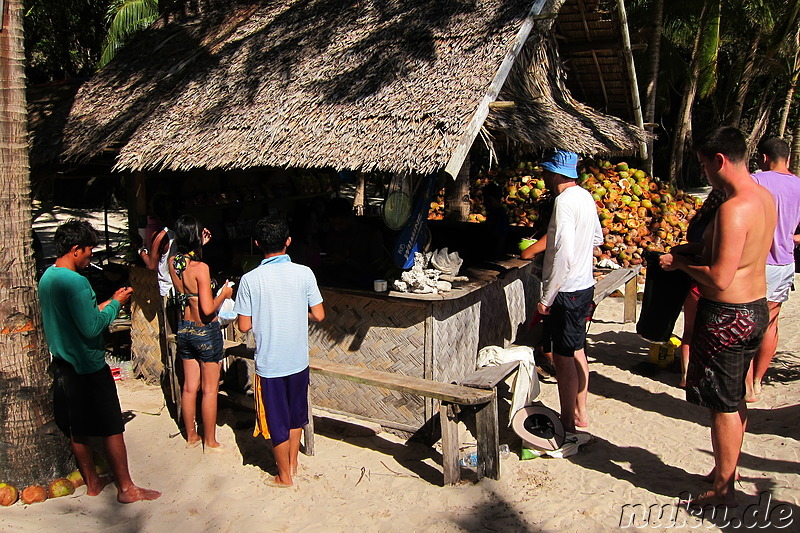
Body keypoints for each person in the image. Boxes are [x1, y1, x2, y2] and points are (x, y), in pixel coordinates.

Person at [659, 127, 775, 508]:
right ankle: (729, 469)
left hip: (727, 314)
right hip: (756, 308)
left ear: (720, 161)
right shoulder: (764, 197)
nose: (705, 174)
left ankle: (723, 490)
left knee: (722, 406)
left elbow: (721, 276)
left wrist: (680, 263)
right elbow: (740, 251)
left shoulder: (731, 207)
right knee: (735, 397)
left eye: (704, 165)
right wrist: (695, 249)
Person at [38, 219, 161, 504]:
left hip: (63, 364)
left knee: (77, 428)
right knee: (111, 428)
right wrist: (116, 304)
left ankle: (92, 482)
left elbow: (81, 316)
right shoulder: (77, 282)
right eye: (89, 251)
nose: (91, 257)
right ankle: (127, 488)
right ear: (76, 250)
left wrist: (109, 300)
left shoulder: (48, 277)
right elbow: (92, 327)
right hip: (89, 366)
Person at [235, 216, 325, 487]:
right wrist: (296, 312)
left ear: (257, 244)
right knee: (297, 413)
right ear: (288, 241)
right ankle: (293, 464)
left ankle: (283, 476)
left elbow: (243, 325)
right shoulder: (305, 273)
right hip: (298, 360)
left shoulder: (250, 280)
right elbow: (319, 315)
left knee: (276, 419)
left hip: (270, 363)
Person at [537, 150, 603, 433]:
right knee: (577, 350)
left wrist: (546, 297)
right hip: (584, 285)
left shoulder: (563, 202)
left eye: (545, 171)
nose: (543, 176)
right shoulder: (585, 196)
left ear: (554, 173)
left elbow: (562, 253)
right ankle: (580, 412)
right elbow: (598, 237)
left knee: (563, 360)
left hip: (567, 290)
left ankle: (567, 423)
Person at [168, 215, 232, 451]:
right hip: (205, 330)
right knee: (209, 389)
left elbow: (186, 267)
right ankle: (210, 439)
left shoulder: (174, 263)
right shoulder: (202, 268)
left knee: (189, 387)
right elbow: (207, 309)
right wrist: (224, 295)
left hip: (185, 328)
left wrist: (197, 246)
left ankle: (192, 436)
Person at [746, 137, 800, 401]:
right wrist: (790, 237)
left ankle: (744, 383)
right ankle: (757, 381)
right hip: (784, 262)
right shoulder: (799, 186)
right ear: (788, 159)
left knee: (746, 323)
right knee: (771, 324)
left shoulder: (756, 180)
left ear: (764, 158)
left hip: (756, 262)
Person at [670, 187, 727, 388]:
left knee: (689, 332)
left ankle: (685, 376)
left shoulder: (698, 221)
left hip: (691, 277)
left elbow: (693, 244)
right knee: (710, 333)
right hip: (708, 280)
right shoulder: (722, 222)